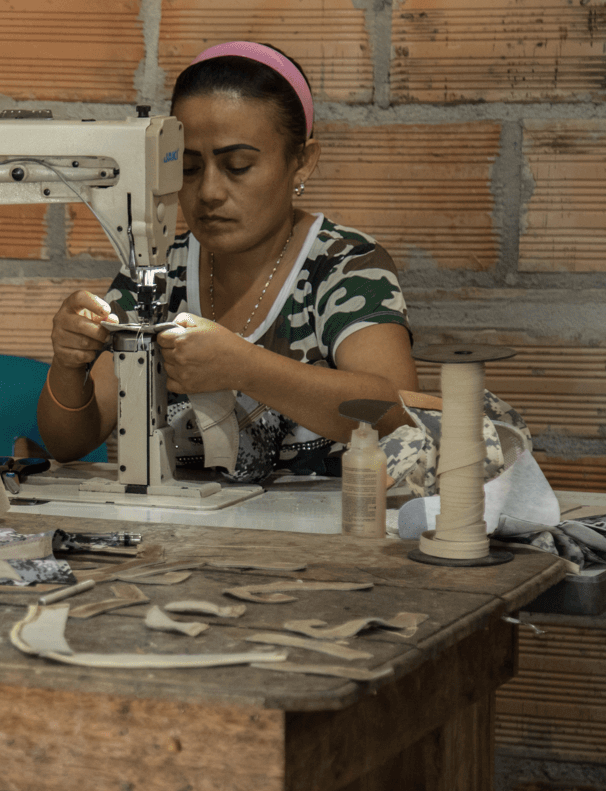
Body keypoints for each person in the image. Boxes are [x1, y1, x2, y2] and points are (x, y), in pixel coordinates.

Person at [37, 41, 419, 480]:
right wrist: (69, 363)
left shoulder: (343, 265)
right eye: (188, 167)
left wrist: (245, 368)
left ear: (302, 162)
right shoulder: (157, 269)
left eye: (237, 165)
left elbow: (401, 414)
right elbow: (67, 443)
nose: (209, 192)